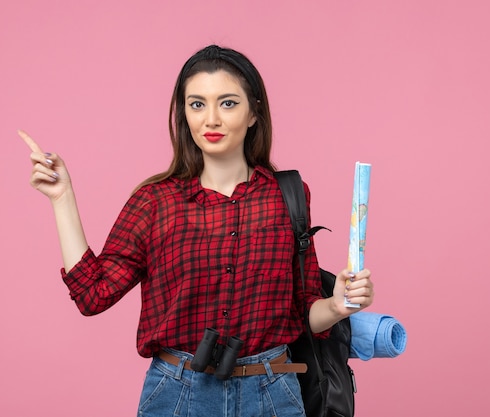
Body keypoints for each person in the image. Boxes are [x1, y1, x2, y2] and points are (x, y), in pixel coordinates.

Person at [21, 44, 374, 417]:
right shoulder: (156, 201)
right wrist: (62, 198)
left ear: (254, 112)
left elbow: (302, 313)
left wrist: (337, 306)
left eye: (227, 103)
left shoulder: (288, 196)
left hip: (272, 392)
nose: (211, 120)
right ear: (184, 114)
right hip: (178, 393)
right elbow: (93, 295)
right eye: (197, 104)